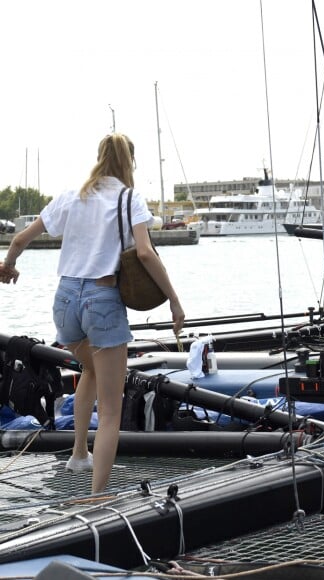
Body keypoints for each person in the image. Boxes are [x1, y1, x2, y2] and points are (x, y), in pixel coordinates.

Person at [0, 133, 185, 494]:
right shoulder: (130, 198)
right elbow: (146, 254)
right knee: (113, 410)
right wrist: (174, 301)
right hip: (101, 300)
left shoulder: (72, 196)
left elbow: (20, 239)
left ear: (98, 158)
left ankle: (79, 452)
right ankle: (98, 496)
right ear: (129, 161)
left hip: (65, 302)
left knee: (92, 369)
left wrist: (7, 267)